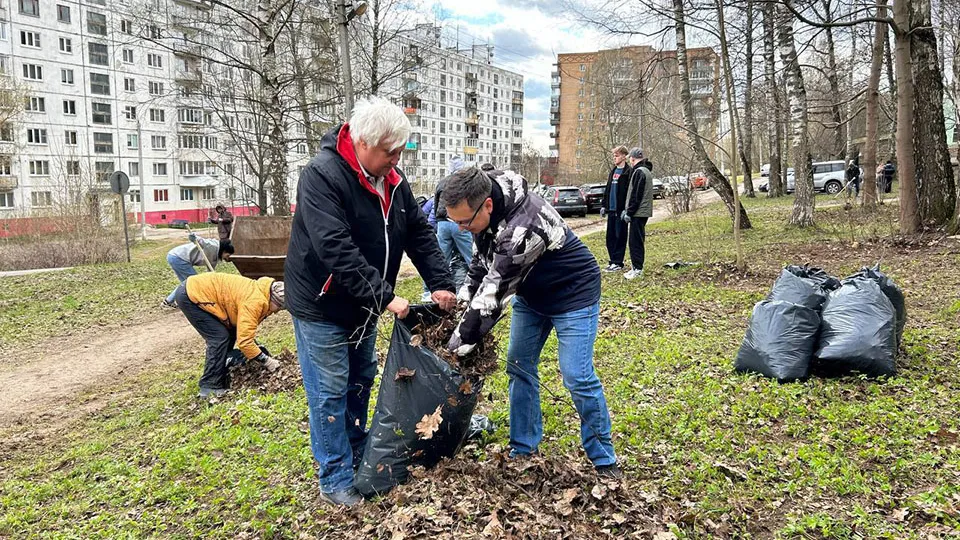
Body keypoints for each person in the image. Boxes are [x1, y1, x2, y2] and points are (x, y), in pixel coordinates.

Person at [284, 95, 456, 507]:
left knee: (360, 379)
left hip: (362, 306)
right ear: (363, 142)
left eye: (400, 151)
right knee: (329, 390)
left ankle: (358, 452)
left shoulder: (394, 182)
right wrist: (387, 297)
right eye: (389, 151)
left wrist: (441, 283)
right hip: (321, 304)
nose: (396, 159)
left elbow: (419, 233)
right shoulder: (322, 176)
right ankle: (335, 476)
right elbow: (334, 247)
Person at [441, 166, 621, 479]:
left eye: (463, 222)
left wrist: (453, 346)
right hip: (531, 294)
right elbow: (479, 266)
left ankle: (604, 459)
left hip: (573, 293)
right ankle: (523, 447)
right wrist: (457, 308)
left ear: (487, 206)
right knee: (519, 365)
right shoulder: (485, 193)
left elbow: (492, 298)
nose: (459, 229)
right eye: (453, 221)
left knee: (577, 375)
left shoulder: (521, 230)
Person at [175, 273, 285, 398]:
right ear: (273, 299)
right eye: (279, 307)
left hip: (200, 291)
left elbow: (242, 331)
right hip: (193, 294)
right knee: (219, 338)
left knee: (230, 332)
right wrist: (266, 361)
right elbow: (244, 342)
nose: (276, 312)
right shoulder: (255, 302)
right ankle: (209, 386)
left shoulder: (261, 292)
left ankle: (221, 372)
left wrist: (256, 350)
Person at [161, 233, 234, 308]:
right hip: (178, 257)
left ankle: (168, 301)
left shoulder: (217, 256)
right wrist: (194, 237)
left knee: (186, 283)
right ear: (224, 251)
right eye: (227, 255)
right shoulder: (213, 246)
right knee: (194, 282)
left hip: (178, 258)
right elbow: (202, 241)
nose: (227, 258)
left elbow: (210, 269)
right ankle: (173, 301)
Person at [622, 148, 653, 280]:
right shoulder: (645, 170)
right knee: (636, 240)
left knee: (635, 242)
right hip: (641, 212)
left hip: (638, 213)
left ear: (633, 159)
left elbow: (636, 195)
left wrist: (629, 212)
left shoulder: (639, 172)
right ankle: (636, 267)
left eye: (630, 158)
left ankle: (637, 269)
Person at [600, 146, 632, 272]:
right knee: (610, 237)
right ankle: (612, 260)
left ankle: (618, 262)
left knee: (620, 236)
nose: (615, 158)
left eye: (617, 155)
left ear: (624, 156)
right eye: (614, 156)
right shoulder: (613, 172)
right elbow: (607, 190)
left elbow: (629, 193)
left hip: (621, 211)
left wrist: (627, 209)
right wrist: (604, 205)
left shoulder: (628, 172)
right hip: (611, 211)